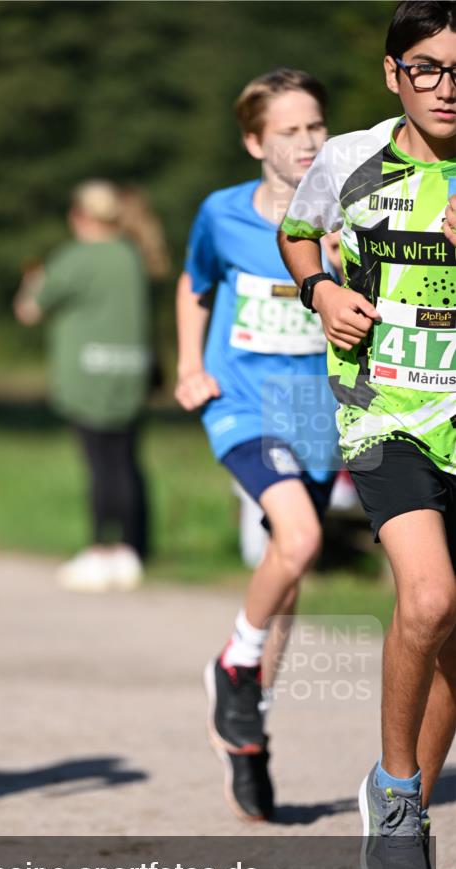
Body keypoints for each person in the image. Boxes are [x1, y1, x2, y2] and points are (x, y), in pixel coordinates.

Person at [278, 0, 456, 869]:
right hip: (387, 409)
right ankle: (393, 791)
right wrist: (319, 291)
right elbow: (297, 231)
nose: (446, 87)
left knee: (454, 633)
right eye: (426, 68)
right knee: (426, 598)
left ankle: (409, 817)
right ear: (394, 75)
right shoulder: (347, 158)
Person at [175, 69, 340, 821]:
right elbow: (192, 282)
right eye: (288, 131)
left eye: (315, 127)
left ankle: (247, 729)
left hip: (316, 414)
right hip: (241, 402)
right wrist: (188, 365)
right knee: (300, 538)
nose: (306, 142)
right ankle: (233, 662)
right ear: (253, 142)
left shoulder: (356, 210)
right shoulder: (221, 214)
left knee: (291, 571)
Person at [14, 180, 168, 592]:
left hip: (89, 375)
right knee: (127, 462)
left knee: (101, 466)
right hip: (131, 373)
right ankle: (133, 552)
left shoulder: (76, 258)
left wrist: (34, 280)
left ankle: (102, 550)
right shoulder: (133, 255)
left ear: (79, 216)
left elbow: (30, 309)